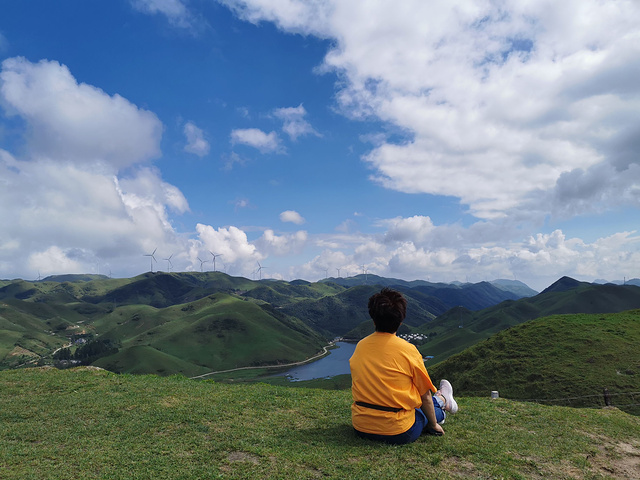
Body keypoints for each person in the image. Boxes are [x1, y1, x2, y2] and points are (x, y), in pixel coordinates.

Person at [349, 287, 458, 444]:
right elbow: (425, 396)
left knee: (414, 406)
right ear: (401, 321)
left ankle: (441, 399)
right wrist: (433, 425)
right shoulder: (407, 349)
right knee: (422, 412)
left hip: (361, 427)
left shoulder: (361, 346)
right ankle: (443, 402)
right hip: (398, 431)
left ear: (373, 320)